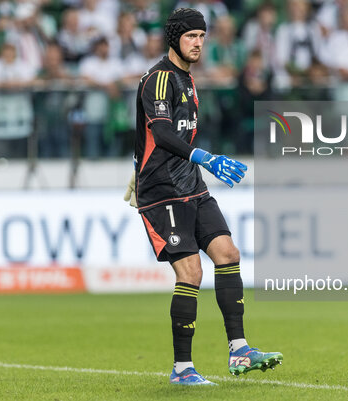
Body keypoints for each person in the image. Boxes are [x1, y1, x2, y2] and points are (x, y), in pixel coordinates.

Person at [123, 8, 283, 386]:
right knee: (191, 272)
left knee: (228, 254)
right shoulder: (159, 80)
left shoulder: (188, 80)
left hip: (192, 186)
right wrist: (205, 157)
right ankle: (182, 370)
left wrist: (194, 163)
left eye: (201, 36)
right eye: (191, 36)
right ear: (174, 38)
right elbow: (160, 133)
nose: (198, 43)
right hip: (162, 191)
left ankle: (240, 350)